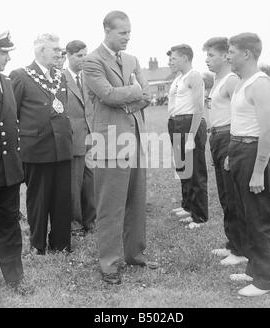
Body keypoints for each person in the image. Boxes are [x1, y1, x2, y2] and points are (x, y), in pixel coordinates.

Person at [83, 10, 158, 284]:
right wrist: (134, 92)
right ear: (107, 30)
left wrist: (129, 97)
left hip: (135, 139)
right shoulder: (91, 61)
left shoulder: (132, 59)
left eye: (129, 32)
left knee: (136, 202)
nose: (128, 37)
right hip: (109, 143)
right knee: (110, 207)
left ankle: (135, 256)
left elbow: (147, 95)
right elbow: (107, 94)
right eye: (122, 32)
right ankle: (109, 265)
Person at [9, 33, 73, 255]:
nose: (59, 52)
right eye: (55, 49)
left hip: (63, 148)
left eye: (59, 49)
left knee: (63, 198)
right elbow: (12, 114)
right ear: (40, 51)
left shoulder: (61, 76)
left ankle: (62, 243)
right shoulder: (20, 75)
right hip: (37, 149)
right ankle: (38, 245)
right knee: (38, 199)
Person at [227, 33, 270, 297]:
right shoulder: (242, 82)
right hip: (240, 150)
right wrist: (231, 153)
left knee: (259, 217)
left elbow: (267, 132)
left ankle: (266, 280)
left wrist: (259, 170)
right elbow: (240, 122)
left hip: (254, 153)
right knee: (245, 214)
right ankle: (253, 269)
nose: (228, 55)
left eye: (231, 51)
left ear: (247, 53)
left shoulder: (260, 84)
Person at [203, 37, 247, 265]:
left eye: (211, 55)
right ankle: (232, 243)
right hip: (216, 137)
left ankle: (241, 250)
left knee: (233, 196)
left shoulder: (231, 80)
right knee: (224, 195)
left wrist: (231, 148)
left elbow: (239, 115)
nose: (207, 60)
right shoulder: (217, 80)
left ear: (224, 56)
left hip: (228, 137)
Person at [0, 31, 24, 306]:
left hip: (8, 172)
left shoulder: (7, 82)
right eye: (3, 52)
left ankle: (14, 278)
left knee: (9, 228)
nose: (8, 57)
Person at [167, 44, 208, 229]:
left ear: (185, 57)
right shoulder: (178, 78)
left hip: (190, 123)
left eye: (174, 58)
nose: (171, 61)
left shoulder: (194, 76)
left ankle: (199, 216)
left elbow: (199, 108)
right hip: (176, 123)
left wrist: (191, 135)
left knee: (195, 171)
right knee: (183, 168)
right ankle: (188, 206)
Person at [64, 40, 96, 236]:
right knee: (73, 185)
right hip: (73, 139)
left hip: (92, 138)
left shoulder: (89, 78)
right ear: (68, 55)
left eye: (85, 54)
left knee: (90, 182)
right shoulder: (61, 78)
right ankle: (74, 223)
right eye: (79, 55)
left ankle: (90, 221)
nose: (83, 59)